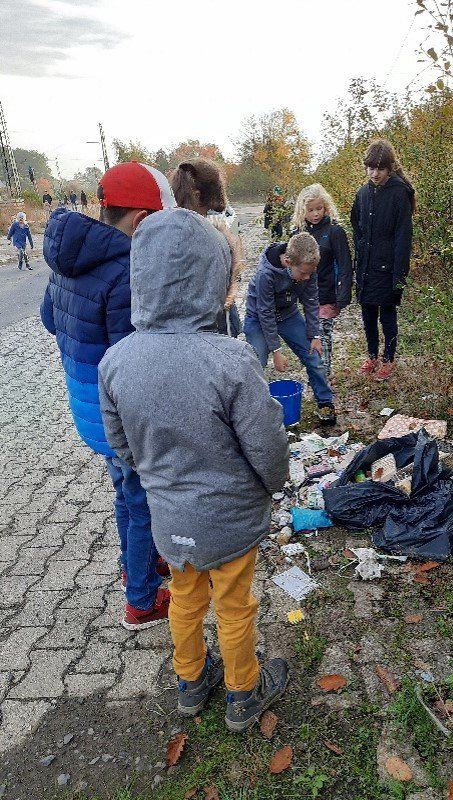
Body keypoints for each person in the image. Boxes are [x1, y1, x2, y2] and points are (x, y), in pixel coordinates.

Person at [98, 208, 290, 729]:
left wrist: (158, 476)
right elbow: (267, 444)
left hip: (169, 519)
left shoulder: (115, 362)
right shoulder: (231, 359)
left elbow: (121, 447)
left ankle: (190, 681)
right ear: (212, 279)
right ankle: (243, 691)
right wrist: (275, 483)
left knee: (184, 599)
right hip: (231, 518)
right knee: (234, 604)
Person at [40, 162, 177, 629]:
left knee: (124, 490)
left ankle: (135, 564)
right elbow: (131, 360)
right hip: (117, 410)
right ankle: (141, 599)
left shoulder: (68, 257)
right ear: (141, 221)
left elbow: (49, 319)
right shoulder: (126, 270)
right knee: (141, 503)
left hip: (85, 401)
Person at [244, 231, 337, 425]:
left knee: (314, 357)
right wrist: (276, 350)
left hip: (288, 315)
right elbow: (265, 312)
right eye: (303, 273)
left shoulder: (307, 267)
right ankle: (254, 409)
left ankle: (325, 402)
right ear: (287, 262)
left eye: (310, 273)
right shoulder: (265, 274)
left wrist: (315, 335)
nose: (307, 277)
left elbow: (311, 301)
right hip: (258, 318)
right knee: (257, 362)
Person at [351, 139, 415, 380]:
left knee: (387, 315)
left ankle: (388, 359)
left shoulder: (399, 193)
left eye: (380, 169)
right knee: (368, 314)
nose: (374, 174)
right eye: (371, 168)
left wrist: (399, 275)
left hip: (389, 268)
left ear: (389, 168)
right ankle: (372, 356)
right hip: (366, 266)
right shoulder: (363, 193)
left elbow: (403, 237)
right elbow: (356, 227)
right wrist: (360, 255)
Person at [170, 159, 243, 337]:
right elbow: (235, 261)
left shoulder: (166, 226)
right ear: (198, 195)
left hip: (185, 324)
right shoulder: (216, 227)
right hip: (213, 320)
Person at [291, 183, 352, 376]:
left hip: (327, 293)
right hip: (306, 295)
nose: (316, 214)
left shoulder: (334, 231)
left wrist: (343, 294)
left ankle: (322, 375)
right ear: (303, 211)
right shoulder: (298, 233)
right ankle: (317, 371)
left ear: (326, 207)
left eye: (319, 208)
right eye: (310, 210)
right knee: (311, 334)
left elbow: (345, 264)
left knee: (323, 334)